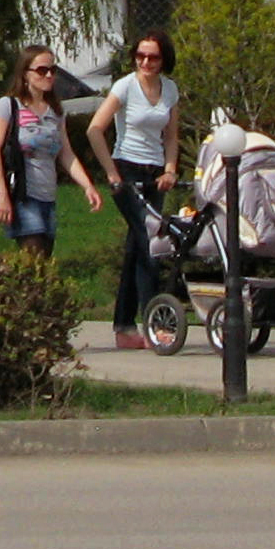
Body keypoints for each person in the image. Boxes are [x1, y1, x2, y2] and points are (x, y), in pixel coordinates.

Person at [89, 31, 182, 348]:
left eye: (153, 57)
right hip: (126, 169)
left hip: (154, 173)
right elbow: (95, 129)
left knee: (135, 249)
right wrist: (112, 173)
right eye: (140, 56)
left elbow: (171, 136)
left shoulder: (169, 89)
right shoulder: (125, 86)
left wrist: (170, 169)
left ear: (163, 59)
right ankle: (155, 323)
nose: (145, 62)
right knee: (149, 243)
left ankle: (124, 328)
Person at [0, 45, 100, 256]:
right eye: (41, 70)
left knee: (43, 262)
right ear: (25, 74)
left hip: (48, 197)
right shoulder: (9, 106)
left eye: (52, 70)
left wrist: (87, 186)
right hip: (23, 195)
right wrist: (1, 194)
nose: (48, 75)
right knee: (33, 261)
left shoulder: (55, 111)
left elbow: (66, 153)